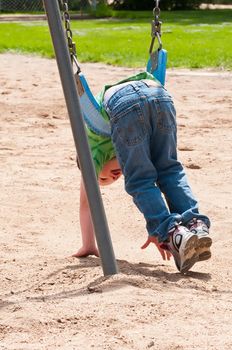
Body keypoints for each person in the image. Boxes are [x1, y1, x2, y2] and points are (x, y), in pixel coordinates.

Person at [72, 71, 212, 273]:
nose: (113, 176)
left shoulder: (90, 155)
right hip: (158, 94)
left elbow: (87, 204)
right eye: (113, 179)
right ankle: (195, 225)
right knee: (169, 170)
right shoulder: (115, 147)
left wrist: (88, 244)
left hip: (123, 104)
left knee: (139, 181)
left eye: (101, 177)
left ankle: (173, 231)